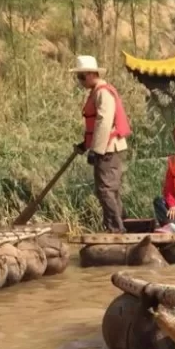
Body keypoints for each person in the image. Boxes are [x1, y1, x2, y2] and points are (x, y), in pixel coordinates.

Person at [72, 55, 132, 233]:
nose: (80, 81)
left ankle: (116, 228)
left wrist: (96, 150)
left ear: (91, 74)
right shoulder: (97, 92)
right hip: (105, 147)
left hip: (108, 149)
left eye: (82, 77)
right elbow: (97, 125)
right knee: (108, 189)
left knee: (106, 190)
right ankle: (118, 224)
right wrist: (86, 144)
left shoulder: (103, 93)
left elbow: (104, 122)